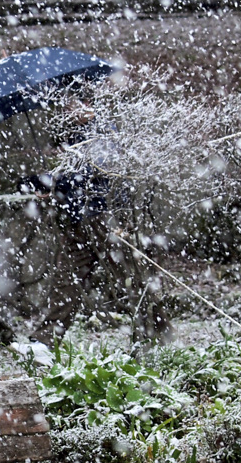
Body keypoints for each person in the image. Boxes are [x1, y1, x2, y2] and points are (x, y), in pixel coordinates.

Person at [15, 98, 171, 360]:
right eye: (64, 106)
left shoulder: (102, 133)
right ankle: (43, 343)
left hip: (103, 219)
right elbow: (69, 177)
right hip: (77, 222)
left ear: (88, 104)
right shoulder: (73, 135)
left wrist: (53, 181)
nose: (67, 110)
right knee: (66, 280)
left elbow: (89, 174)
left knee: (130, 279)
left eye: (72, 104)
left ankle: (158, 335)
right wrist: (45, 185)